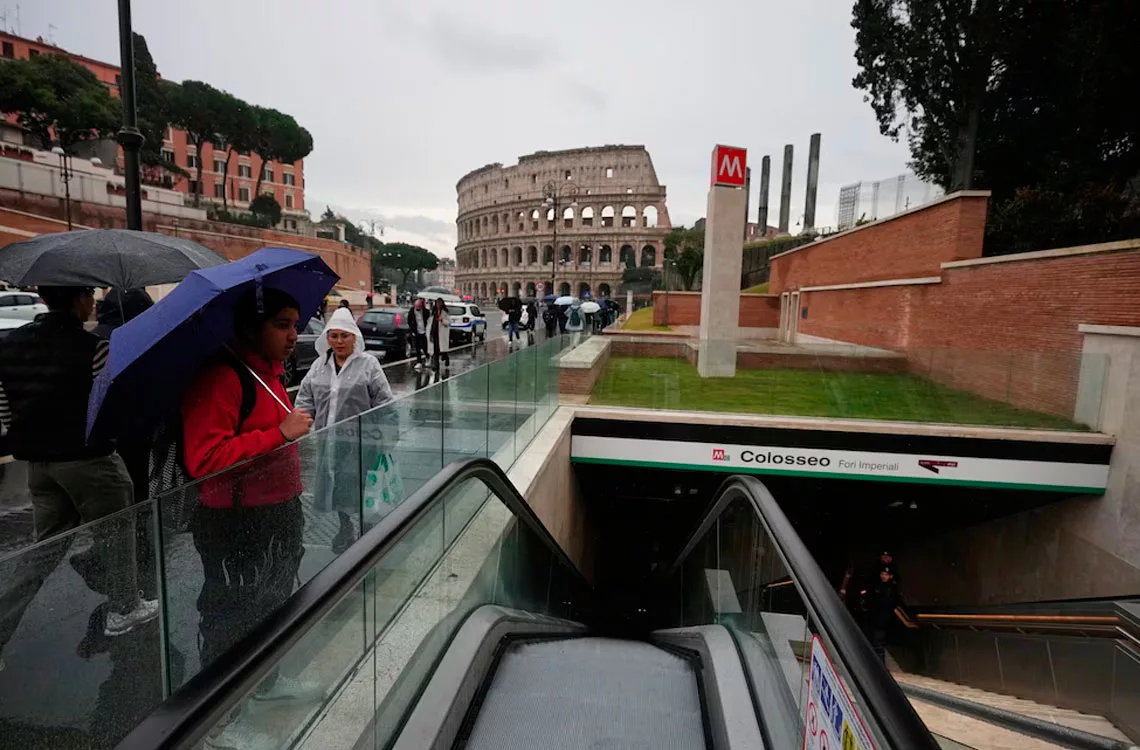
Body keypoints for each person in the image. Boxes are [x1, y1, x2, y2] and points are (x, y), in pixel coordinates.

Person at [180, 287, 318, 748]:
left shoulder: (269, 374)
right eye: (281, 325)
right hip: (234, 523)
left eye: (295, 324)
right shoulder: (223, 378)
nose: (293, 335)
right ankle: (220, 721)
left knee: (272, 606)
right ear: (252, 327)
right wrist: (279, 432)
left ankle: (265, 682)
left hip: (278, 513)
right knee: (230, 617)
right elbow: (204, 458)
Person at [0, 286, 158, 669]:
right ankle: (125, 607)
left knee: (43, 550)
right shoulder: (92, 348)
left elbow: (6, 410)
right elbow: (109, 405)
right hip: (89, 461)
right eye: (89, 295)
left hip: (38, 465)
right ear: (78, 299)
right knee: (116, 532)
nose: (93, 303)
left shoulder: (9, 345)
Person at [294, 307, 394, 553]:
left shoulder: (368, 365)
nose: (339, 341)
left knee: (363, 483)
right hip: (329, 439)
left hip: (362, 440)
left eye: (344, 336)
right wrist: (301, 422)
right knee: (336, 482)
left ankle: (368, 526)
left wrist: (386, 436)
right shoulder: (318, 366)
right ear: (327, 338)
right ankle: (345, 525)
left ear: (354, 337)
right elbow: (305, 399)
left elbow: (385, 402)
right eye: (334, 336)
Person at [427, 297, 451, 371]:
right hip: (434, 332)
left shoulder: (445, 312)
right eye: (437, 303)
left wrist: (442, 320)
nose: (438, 305)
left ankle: (446, 357)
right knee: (435, 350)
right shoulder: (433, 311)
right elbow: (430, 321)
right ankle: (435, 365)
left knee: (442, 349)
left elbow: (448, 322)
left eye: (439, 303)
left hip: (441, 333)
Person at [408, 298, 430, 367]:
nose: (418, 308)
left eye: (419, 307)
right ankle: (419, 362)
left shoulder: (426, 312)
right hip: (416, 332)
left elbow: (429, 320)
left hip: (424, 331)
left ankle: (428, 358)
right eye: (416, 307)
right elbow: (409, 321)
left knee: (425, 346)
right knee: (417, 348)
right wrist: (412, 330)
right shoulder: (411, 311)